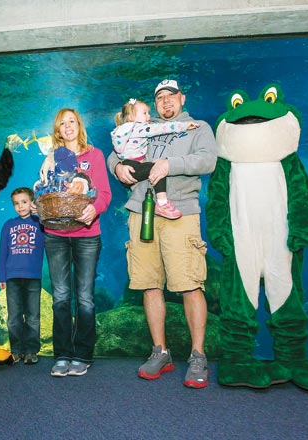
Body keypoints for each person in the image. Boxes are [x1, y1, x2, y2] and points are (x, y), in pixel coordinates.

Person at [107, 79, 217, 388]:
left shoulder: (198, 127)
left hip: (181, 213)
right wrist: (116, 167)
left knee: (190, 284)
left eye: (171, 96)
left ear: (182, 98)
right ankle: (160, 352)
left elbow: (208, 160)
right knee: (148, 284)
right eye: (159, 98)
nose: (166, 101)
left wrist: (170, 164)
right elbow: (115, 148)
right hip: (140, 211)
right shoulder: (146, 124)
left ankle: (198, 355)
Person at [37, 108, 112, 377]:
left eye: (72, 121)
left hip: (87, 235)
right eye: (62, 123)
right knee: (60, 297)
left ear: (79, 125)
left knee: (85, 298)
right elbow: (42, 190)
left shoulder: (95, 155)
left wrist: (95, 209)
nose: (68, 126)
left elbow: (104, 194)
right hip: (55, 235)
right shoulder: (51, 158)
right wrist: (37, 206)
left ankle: (82, 354)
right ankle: (62, 354)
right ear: (57, 130)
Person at [111, 98, 200, 219]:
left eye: (148, 113)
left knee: (154, 167)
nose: (148, 116)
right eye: (144, 113)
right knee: (157, 167)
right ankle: (162, 203)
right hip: (133, 167)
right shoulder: (139, 128)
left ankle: (161, 203)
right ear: (131, 117)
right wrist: (184, 126)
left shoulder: (124, 130)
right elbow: (162, 128)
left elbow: (118, 151)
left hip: (131, 166)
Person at [0, 187, 45, 365]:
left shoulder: (40, 223)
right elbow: (3, 252)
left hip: (33, 277)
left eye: (24, 202)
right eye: (16, 203)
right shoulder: (8, 225)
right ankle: (16, 350)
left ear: (32, 202)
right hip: (12, 277)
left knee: (33, 317)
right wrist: (1, 276)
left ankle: (31, 350)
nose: (20, 206)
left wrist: (40, 213)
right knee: (14, 318)